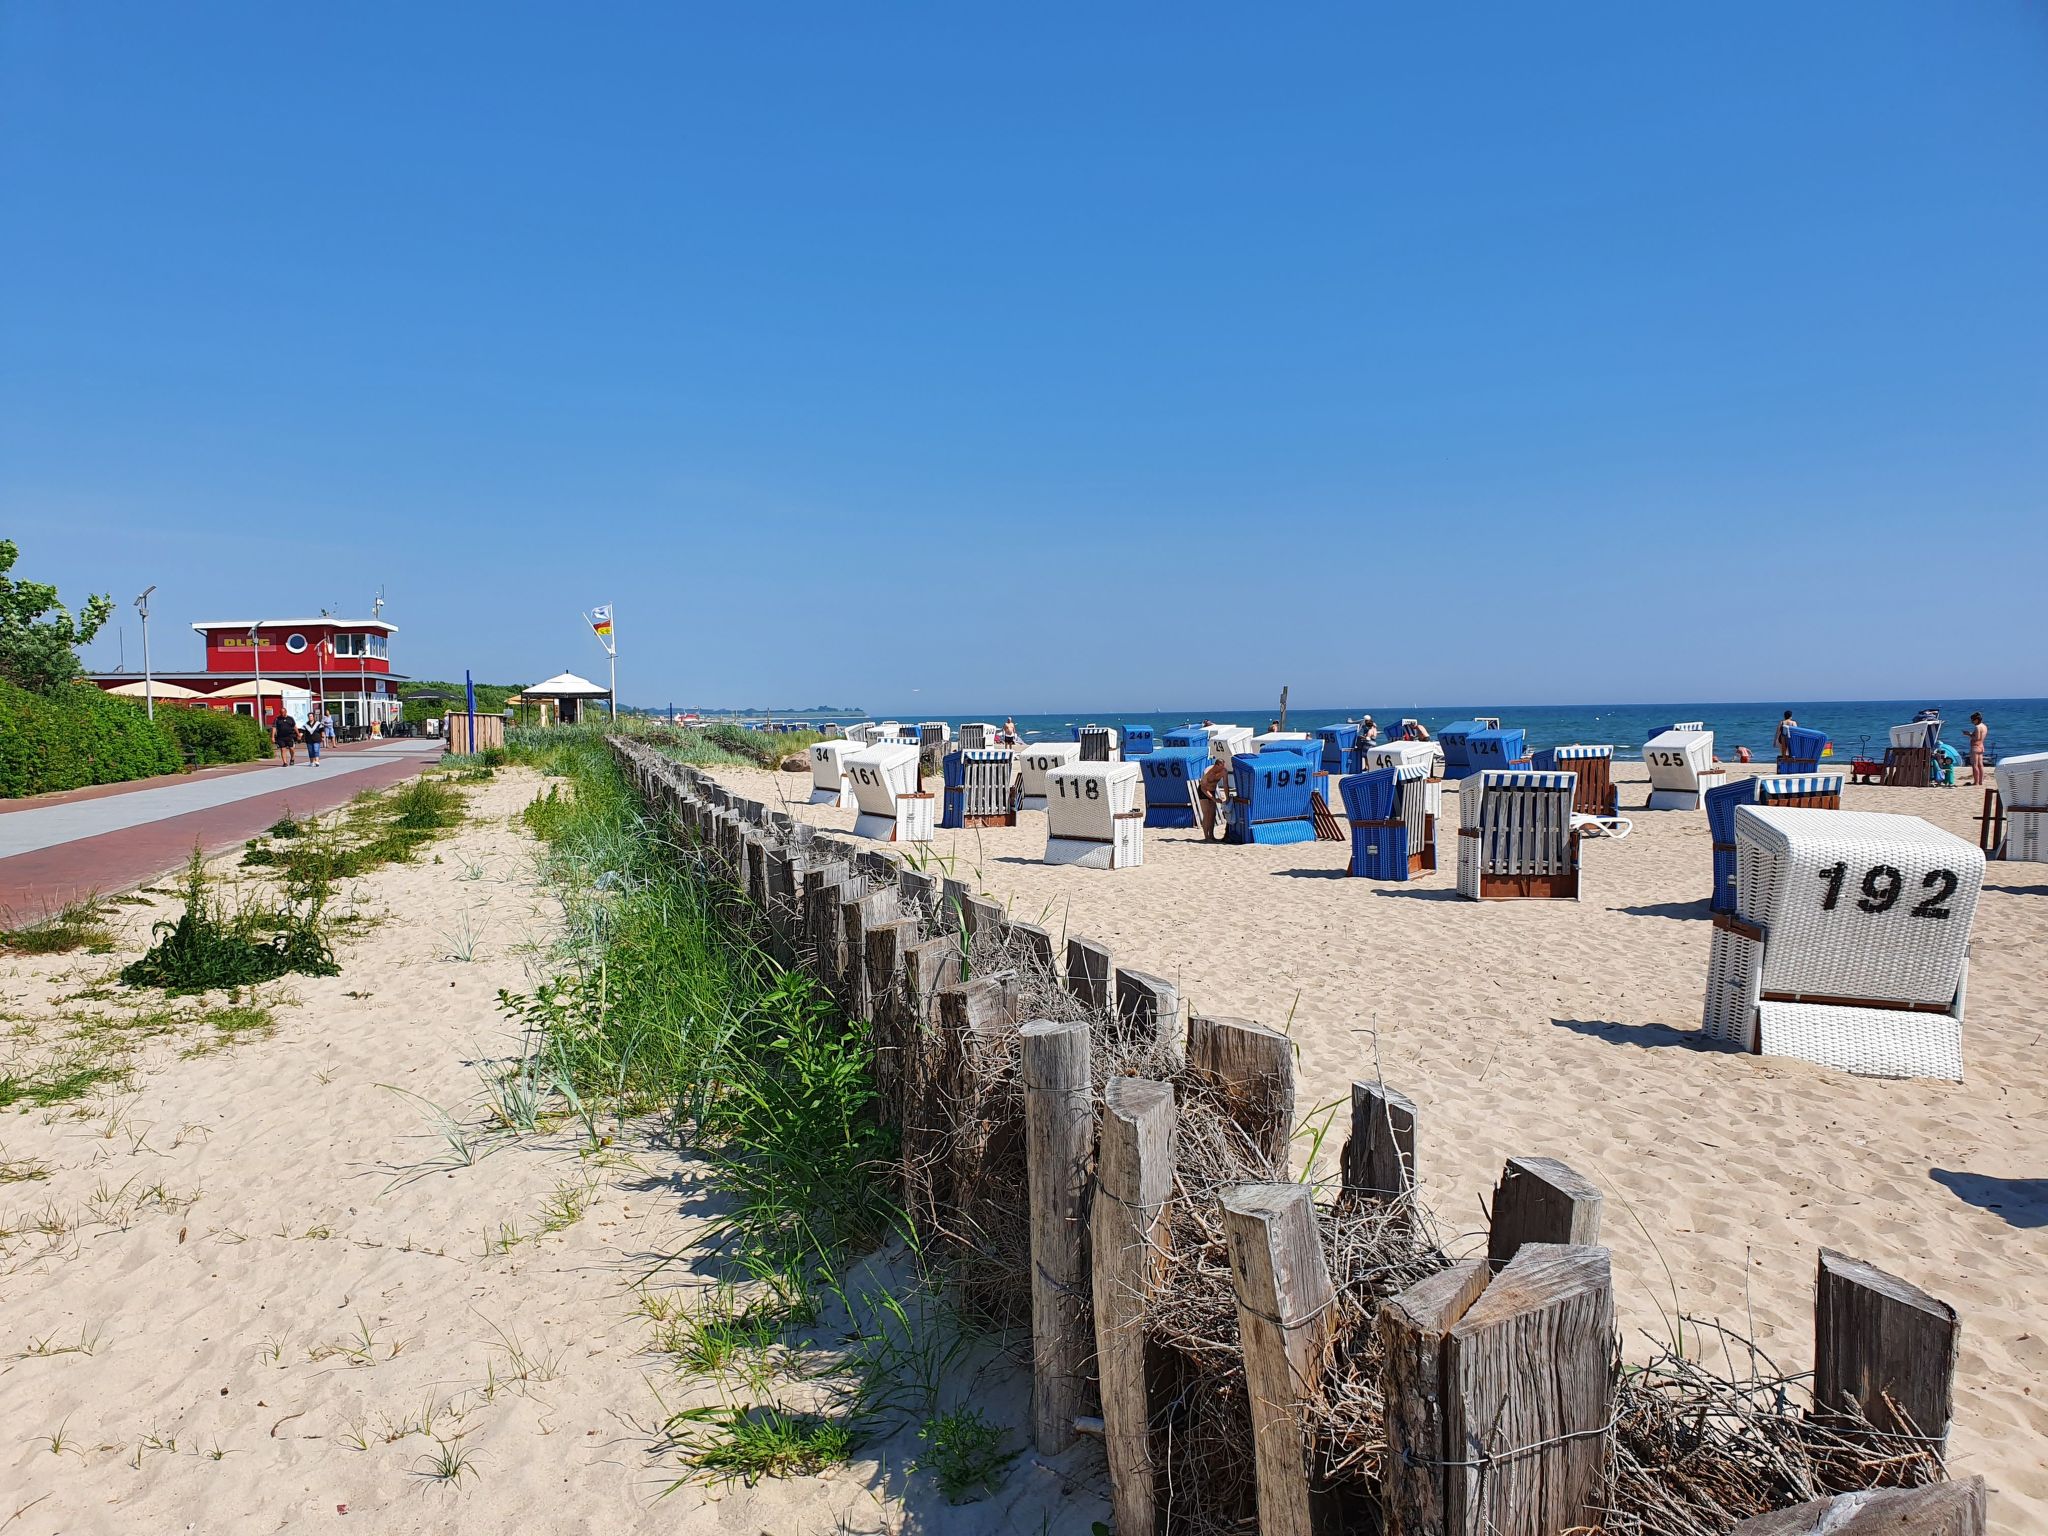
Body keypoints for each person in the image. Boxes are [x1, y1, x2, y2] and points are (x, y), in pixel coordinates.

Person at [1196, 755, 1229, 841]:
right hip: (1203, 791)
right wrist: (1214, 799)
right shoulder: (1208, 772)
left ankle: (1211, 835)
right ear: (1217, 765)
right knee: (1207, 814)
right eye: (1221, 767)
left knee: (1213, 814)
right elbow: (1203, 788)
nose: (1223, 769)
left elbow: (1225, 785)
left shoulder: (1223, 771)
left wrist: (1227, 797)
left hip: (1212, 791)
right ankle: (1206, 837)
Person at [1969, 712, 1988, 787]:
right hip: (1981, 746)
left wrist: (1969, 734)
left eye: (1973, 720)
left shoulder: (1977, 727)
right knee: (1980, 765)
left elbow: (1977, 738)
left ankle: (1976, 782)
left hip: (1975, 747)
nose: (1972, 722)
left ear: (1976, 720)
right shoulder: (1984, 726)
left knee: (1974, 765)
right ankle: (1981, 781)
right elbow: (1980, 737)